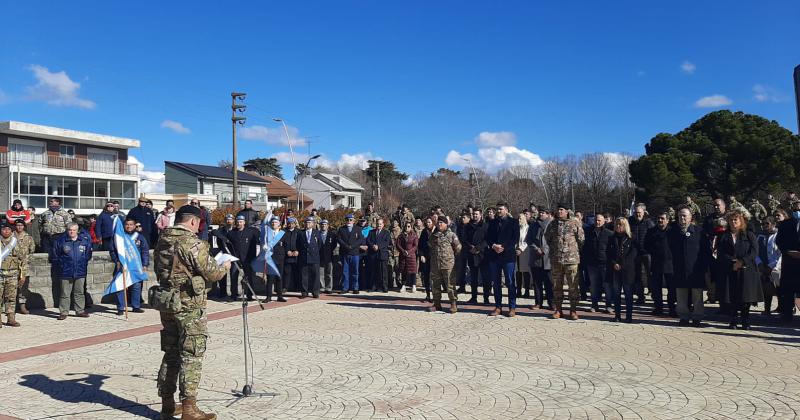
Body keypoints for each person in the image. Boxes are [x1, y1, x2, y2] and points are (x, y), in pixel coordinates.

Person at [153, 204, 230, 420]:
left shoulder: (162, 239)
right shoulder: (192, 242)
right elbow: (212, 272)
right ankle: (189, 408)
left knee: (171, 353)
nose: (198, 228)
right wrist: (224, 267)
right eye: (199, 224)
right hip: (189, 306)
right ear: (194, 222)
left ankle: (167, 404)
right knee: (192, 354)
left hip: (167, 303)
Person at [718, 211, 762, 330]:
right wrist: (731, 262)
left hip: (747, 269)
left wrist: (742, 261)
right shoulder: (724, 236)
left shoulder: (749, 235)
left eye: (736, 220)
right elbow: (721, 253)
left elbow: (754, 252)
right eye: (731, 220)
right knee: (732, 296)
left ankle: (745, 319)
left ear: (741, 221)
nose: (733, 222)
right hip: (730, 269)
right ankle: (733, 319)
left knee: (745, 297)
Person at [669, 208, 708, 327]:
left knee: (697, 295)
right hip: (679, 269)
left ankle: (697, 317)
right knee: (681, 296)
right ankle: (684, 317)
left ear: (691, 217)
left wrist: (704, 267)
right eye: (680, 216)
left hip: (696, 270)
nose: (682, 218)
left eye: (685, 216)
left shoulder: (699, 232)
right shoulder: (672, 232)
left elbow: (705, 251)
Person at [545, 203, 585, 320]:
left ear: (567, 211)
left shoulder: (574, 222)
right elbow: (548, 239)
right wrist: (555, 249)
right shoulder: (552, 224)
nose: (559, 212)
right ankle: (558, 310)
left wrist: (572, 251)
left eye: (562, 210)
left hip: (571, 260)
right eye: (558, 210)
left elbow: (581, 239)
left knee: (573, 286)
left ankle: (573, 310)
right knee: (557, 286)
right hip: (556, 260)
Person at [50, 222, 92, 320]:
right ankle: (64, 312)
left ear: (77, 231)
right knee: (65, 293)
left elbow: (88, 255)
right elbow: (55, 256)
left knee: (79, 292)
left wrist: (83, 262)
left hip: (80, 271)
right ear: (67, 230)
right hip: (65, 271)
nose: (72, 232)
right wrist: (61, 265)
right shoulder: (60, 241)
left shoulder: (84, 241)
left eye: (74, 230)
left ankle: (80, 310)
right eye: (70, 230)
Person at [109, 218, 149, 315]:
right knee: (120, 286)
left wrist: (145, 264)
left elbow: (145, 251)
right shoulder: (119, 237)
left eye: (131, 224)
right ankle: (120, 307)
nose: (129, 226)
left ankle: (136, 306)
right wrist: (117, 261)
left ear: (135, 226)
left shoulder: (139, 237)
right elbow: (112, 250)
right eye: (127, 224)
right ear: (124, 225)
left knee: (136, 286)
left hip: (136, 266)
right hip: (122, 265)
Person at [486, 202, 520, 317]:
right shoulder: (492, 222)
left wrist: (504, 247)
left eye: (500, 209)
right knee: (496, 283)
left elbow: (515, 238)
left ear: (506, 210)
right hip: (494, 256)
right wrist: (494, 245)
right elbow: (488, 237)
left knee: (510, 282)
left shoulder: (513, 222)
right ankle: (498, 306)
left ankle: (512, 307)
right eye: (497, 209)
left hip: (508, 256)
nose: (498, 211)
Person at [428, 217, 462, 313]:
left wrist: (450, 257)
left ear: (446, 224)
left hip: (448, 265)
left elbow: (458, 247)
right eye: (438, 223)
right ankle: (437, 304)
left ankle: (453, 304)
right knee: (435, 285)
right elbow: (430, 245)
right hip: (435, 264)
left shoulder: (451, 235)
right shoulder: (433, 235)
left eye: (441, 223)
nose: (439, 224)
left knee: (450, 285)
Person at [608, 217, 638, 323]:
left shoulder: (632, 238)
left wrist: (623, 264)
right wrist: (614, 263)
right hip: (616, 270)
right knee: (616, 294)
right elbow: (608, 253)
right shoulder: (612, 238)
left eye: (620, 225)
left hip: (628, 270)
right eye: (616, 224)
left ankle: (629, 316)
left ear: (625, 226)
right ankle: (617, 315)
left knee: (628, 294)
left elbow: (634, 253)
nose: (618, 227)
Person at [645, 212, 676, 316]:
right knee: (656, 288)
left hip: (670, 263)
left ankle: (672, 308)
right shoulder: (651, 231)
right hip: (656, 263)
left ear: (667, 220)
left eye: (662, 218)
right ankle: (658, 308)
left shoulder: (673, 231)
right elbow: (646, 245)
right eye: (658, 218)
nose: (660, 220)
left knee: (671, 288)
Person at [775, 199, 800, 324]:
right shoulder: (786, 224)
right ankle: (786, 315)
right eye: (796, 208)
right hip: (789, 262)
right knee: (788, 291)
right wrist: (788, 251)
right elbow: (779, 240)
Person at [582, 213, 613, 313]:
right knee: (594, 286)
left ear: (604, 221)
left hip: (605, 264)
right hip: (592, 264)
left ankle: (608, 305)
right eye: (596, 220)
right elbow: (585, 247)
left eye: (599, 220)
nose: (597, 222)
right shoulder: (588, 233)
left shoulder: (609, 234)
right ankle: (594, 305)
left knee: (607, 286)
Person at [227, 215, 260, 301]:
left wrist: (253, 257)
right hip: (235, 259)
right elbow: (228, 245)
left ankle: (249, 295)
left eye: (241, 222)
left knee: (248, 277)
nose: (239, 223)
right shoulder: (231, 233)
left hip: (247, 258)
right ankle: (233, 295)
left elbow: (254, 245)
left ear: (244, 222)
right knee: (233, 277)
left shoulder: (250, 232)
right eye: (238, 222)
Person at [1, 221, 27, 327]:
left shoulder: (15, 243)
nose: (6, 231)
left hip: (12, 274)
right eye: (4, 229)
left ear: (12, 231)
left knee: (11, 298)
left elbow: (23, 259)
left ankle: (11, 318)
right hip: (0, 273)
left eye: (8, 229)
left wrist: (23, 275)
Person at [528, 208, 553, 310]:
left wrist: (545, 250)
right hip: (535, 257)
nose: (541, 214)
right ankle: (538, 302)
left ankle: (552, 303)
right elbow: (529, 239)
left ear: (548, 214)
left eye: (543, 213)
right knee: (537, 282)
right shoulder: (533, 225)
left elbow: (553, 240)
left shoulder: (552, 225)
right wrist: (536, 248)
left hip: (548, 258)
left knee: (549, 282)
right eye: (540, 213)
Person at [629, 204, 654, 304]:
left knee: (650, 274)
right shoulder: (631, 222)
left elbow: (653, 236)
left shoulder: (649, 223)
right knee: (637, 276)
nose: (637, 214)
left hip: (647, 253)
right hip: (635, 253)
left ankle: (654, 294)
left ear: (644, 213)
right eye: (636, 213)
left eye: (639, 213)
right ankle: (640, 296)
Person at [756, 217, 781, 316]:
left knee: (779, 288)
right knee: (767, 287)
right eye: (763, 224)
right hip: (763, 265)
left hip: (776, 266)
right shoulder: (760, 236)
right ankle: (767, 309)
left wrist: (771, 266)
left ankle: (782, 307)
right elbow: (756, 251)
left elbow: (780, 253)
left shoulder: (779, 235)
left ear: (774, 224)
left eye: (767, 224)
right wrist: (760, 263)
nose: (765, 226)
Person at [464, 209, 489, 304]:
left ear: (480, 215)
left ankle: (486, 298)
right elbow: (464, 239)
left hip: (483, 255)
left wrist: (478, 248)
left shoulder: (486, 226)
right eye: (473, 214)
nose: (475, 216)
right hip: (471, 253)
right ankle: (473, 297)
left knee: (485, 278)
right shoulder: (468, 226)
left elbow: (487, 239)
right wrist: (470, 247)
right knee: (473, 278)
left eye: (476, 214)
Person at [260, 217, 287, 303]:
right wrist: (264, 247)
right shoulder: (267, 233)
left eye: (275, 222)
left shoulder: (283, 233)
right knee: (270, 278)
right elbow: (263, 242)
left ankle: (280, 296)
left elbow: (286, 245)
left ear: (279, 224)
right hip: (270, 258)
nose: (273, 224)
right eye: (272, 222)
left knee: (279, 278)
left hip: (280, 258)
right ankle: (268, 297)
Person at [337, 214, 366, 294]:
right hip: (345, 252)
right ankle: (345, 288)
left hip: (355, 253)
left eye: (351, 220)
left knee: (355, 271)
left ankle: (355, 287)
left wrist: (352, 246)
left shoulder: (357, 229)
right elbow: (339, 239)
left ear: (353, 221)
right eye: (347, 220)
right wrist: (346, 246)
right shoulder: (341, 229)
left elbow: (360, 239)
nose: (349, 221)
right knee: (345, 271)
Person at [12, 219, 36, 315]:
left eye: (21, 225)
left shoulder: (28, 237)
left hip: (24, 266)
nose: (19, 227)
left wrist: (27, 260)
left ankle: (22, 306)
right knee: (10, 286)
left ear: (24, 226)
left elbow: (32, 250)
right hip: (11, 265)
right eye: (17, 225)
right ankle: (10, 307)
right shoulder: (10, 236)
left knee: (23, 287)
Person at [210, 214, 236, 299]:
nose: (229, 221)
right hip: (223, 255)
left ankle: (233, 294)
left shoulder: (236, 230)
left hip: (233, 255)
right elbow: (214, 232)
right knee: (223, 275)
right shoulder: (221, 230)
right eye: (227, 219)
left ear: (233, 220)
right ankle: (223, 293)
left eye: (230, 219)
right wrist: (223, 238)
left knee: (233, 275)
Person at [297, 216, 323, 298]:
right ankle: (304, 292)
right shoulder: (300, 233)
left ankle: (315, 292)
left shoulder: (317, 233)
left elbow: (319, 245)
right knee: (304, 276)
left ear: (313, 224)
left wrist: (314, 252)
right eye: (306, 222)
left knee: (315, 275)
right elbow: (298, 245)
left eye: (309, 222)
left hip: (314, 257)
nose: (307, 224)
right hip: (304, 257)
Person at [366, 218, 392, 293]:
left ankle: (384, 287)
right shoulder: (371, 232)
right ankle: (374, 286)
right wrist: (373, 246)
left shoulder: (386, 232)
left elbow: (387, 242)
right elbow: (368, 240)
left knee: (384, 272)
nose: (379, 225)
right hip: (373, 254)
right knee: (374, 271)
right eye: (377, 224)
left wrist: (378, 246)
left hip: (382, 254)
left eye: (380, 224)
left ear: (383, 225)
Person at [396, 221, 418, 293]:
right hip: (403, 255)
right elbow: (398, 245)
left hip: (411, 255)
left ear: (411, 227)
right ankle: (403, 285)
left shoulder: (414, 235)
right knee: (404, 270)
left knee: (413, 271)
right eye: (406, 226)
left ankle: (413, 285)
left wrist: (409, 252)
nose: (407, 228)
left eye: (409, 226)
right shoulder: (401, 236)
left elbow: (415, 246)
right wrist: (403, 251)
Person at [516, 212, 533, 299]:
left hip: (525, 251)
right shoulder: (516, 228)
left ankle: (527, 290)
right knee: (518, 271)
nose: (519, 220)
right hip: (516, 251)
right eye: (518, 218)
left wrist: (521, 249)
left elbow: (527, 240)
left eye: (521, 218)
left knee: (525, 271)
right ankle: (518, 290)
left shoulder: (528, 228)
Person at [319, 220, 338, 294]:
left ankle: (329, 288)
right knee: (321, 273)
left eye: (325, 224)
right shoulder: (317, 233)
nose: (323, 226)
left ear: (327, 225)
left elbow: (334, 245)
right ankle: (322, 287)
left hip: (329, 256)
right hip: (320, 256)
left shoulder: (332, 234)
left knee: (329, 273)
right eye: (322, 224)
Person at [418, 218, 434, 302]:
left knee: (434, 277)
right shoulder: (424, 232)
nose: (428, 224)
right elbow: (420, 245)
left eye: (430, 222)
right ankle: (428, 295)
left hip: (435, 257)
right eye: (427, 222)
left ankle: (436, 296)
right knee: (426, 276)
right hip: (426, 257)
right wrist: (421, 255)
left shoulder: (436, 231)